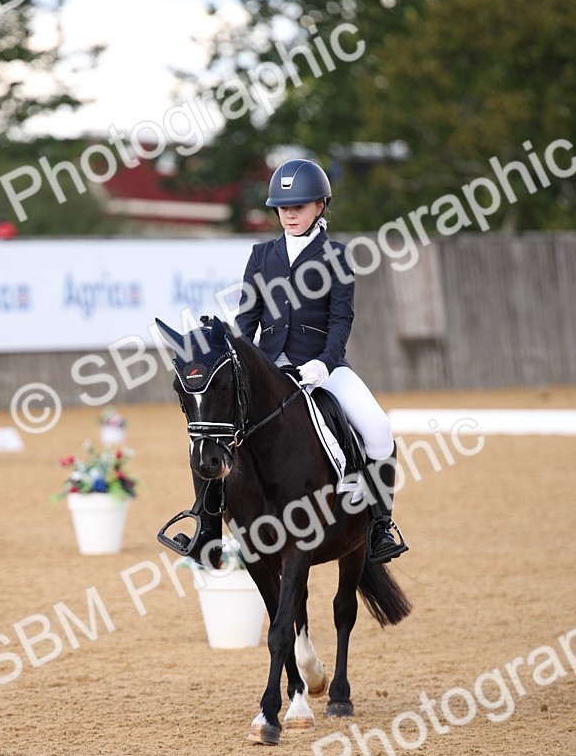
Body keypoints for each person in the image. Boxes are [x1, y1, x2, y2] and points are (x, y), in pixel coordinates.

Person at [171, 157, 408, 566]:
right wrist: (241, 356)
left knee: (379, 427)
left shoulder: (336, 255)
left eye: (299, 206)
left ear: (319, 206)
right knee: (213, 429)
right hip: (266, 366)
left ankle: (380, 525)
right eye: (283, 208)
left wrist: (325, 364)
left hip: (322, 367)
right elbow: (247, 317)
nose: (290, 214)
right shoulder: (262, 254)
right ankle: (206, 529)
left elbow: (341, 319)